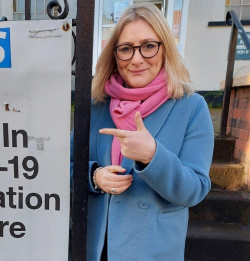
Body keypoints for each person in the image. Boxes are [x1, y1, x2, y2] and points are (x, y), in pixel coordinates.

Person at [70, 3, 214, 261]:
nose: (136, 59)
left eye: (148, 46)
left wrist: (153, 156)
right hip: (93, 247)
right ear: (114, 55)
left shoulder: (191, 107)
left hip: (151, 249)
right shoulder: (96, 105)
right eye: (126, 49)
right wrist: (93, 176)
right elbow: (63, 166)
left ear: (165, 48)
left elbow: (196, 189)